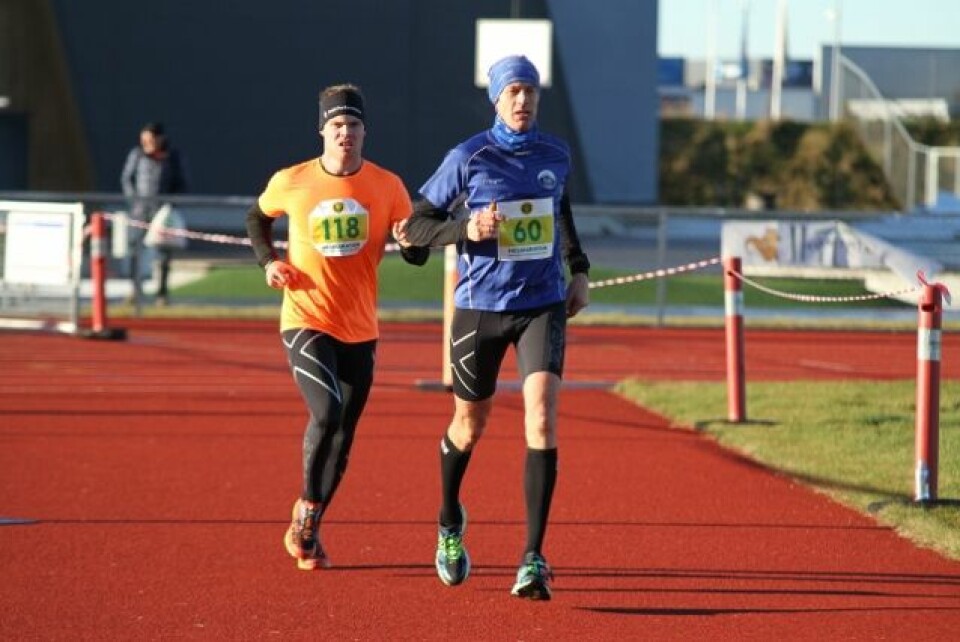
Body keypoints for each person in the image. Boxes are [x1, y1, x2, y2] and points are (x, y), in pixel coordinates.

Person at [398, 54, 591, 600]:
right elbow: (414, 224)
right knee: (469, 426)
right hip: (480, 307)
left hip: (542, 302)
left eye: (530, 91)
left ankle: (533, 558)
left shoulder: (556, 152)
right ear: (497, 100)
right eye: (514, 93)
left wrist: (579, 270)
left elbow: (562, 212)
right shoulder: (468, 157)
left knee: (542, 419)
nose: (524, 101)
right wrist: (466, 228)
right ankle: (448, 523)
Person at [245, 83, 427, 571]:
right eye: (336, 125)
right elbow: (256, 218)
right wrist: (269, 262)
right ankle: (306, 508)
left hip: (360, 325)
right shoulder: (293, 180)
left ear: (365, 132)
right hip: (305, 316)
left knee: (344, 433)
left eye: (353, 125)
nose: (345, 133)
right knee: (326, 412)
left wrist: (412, 244)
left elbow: (415, 251)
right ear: (323, 130)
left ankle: (311, 525)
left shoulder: (387, 186)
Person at [120, 121, 188, 306]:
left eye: (150, 139)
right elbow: (127, 178)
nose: (147, 143)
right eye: (144, 140)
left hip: (163, 213)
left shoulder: (172, 156)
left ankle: (162, 294)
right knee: (135, 250)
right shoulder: (137, 155)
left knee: (164, 253)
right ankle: (135, 290)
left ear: (160, 138)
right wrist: (134, 200)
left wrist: (171, 205)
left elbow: (181, 182)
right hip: (140, 210)